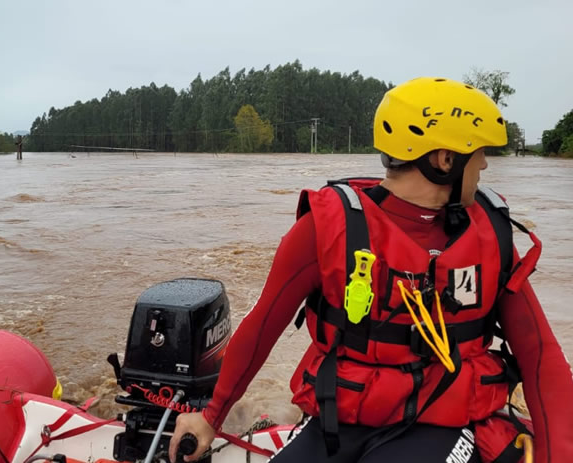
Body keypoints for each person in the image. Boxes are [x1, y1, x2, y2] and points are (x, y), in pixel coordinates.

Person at [168, 77, 573, 463]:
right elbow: (261, 327)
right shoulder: (324, 229)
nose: (484, 164)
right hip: (342, 422)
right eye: (479, 152)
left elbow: (540, 356)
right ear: (444, 160)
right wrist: (211, 415)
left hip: (440, 422)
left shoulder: (492, 236)